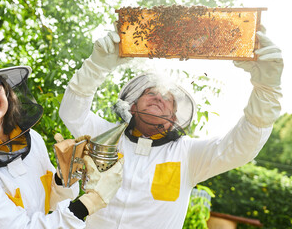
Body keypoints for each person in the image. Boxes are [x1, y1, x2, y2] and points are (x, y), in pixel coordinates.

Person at [59, 25, 283, 228]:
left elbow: (241, 147)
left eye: (167, 98)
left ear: (172, 117)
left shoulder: (188, 154)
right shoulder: (106, 136)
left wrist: (266, 90)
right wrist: (96, 66)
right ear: (133, 107)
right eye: (151, 93)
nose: (158, 98)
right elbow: (71, 113)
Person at [0, 61, 123, 228]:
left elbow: (50, 203)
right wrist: (89, 203)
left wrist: (64, 176)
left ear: (6, 93)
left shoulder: (31, 139)